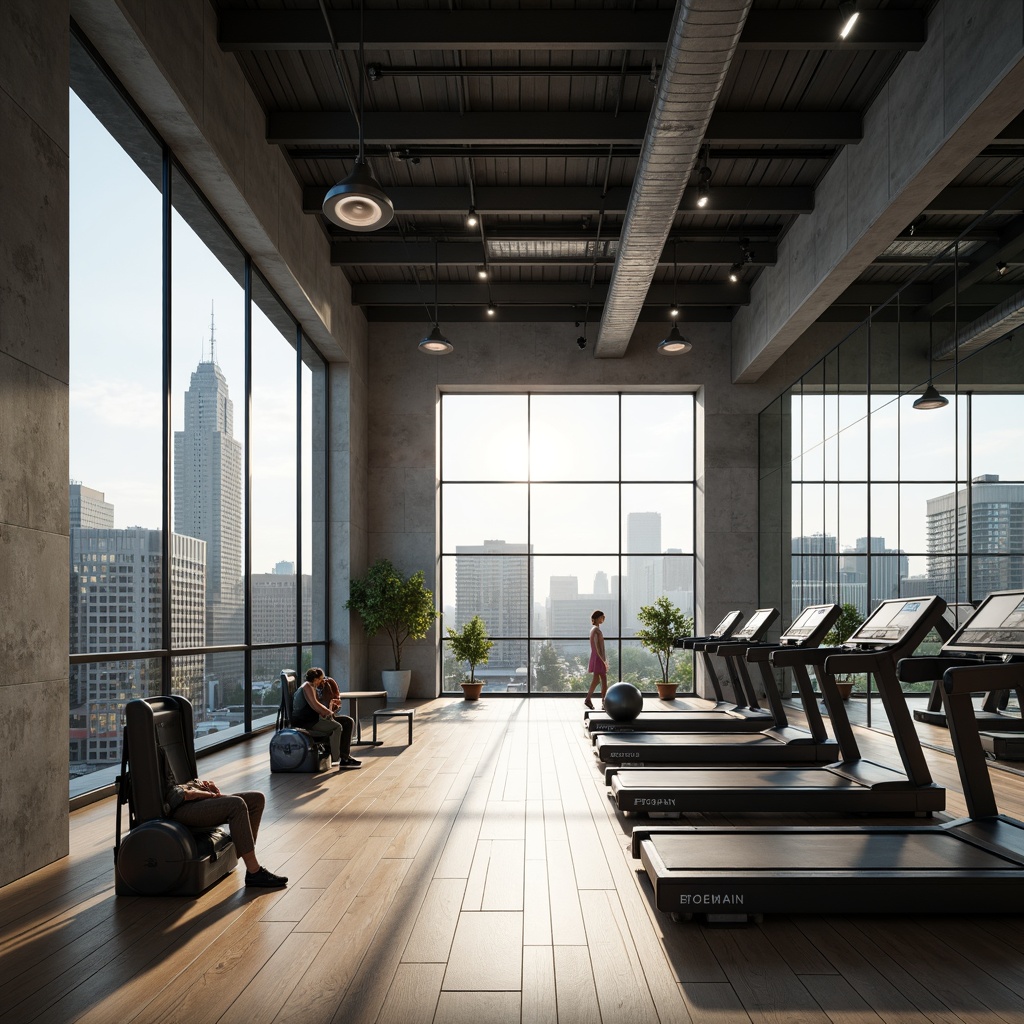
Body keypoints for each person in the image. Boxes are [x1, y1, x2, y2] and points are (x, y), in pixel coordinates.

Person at [162, 758, 287, 888]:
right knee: (236, 805)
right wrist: (204, 794)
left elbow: (181, 784)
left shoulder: (173, 743)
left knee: (256, 799)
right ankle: (254, 871)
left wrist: (200, 784)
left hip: (190, 801)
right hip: (178, 809)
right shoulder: (150, 749)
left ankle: (236, 856)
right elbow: (174, 796)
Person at [292, 667, 362, 769]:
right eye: (321, 679)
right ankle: (336, 757)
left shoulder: (310, 687)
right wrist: (328, 713)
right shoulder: (307, 686)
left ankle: (345, 757)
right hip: (308, 723)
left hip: (313, 719)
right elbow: (315, 705)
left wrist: (329, 708)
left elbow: (317, 707)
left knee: (347, 722)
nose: (323, 681)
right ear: (316, 679)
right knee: (337, 726)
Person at [584, 610, 608, 710]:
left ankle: (588, 699)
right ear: (598, 618)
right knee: (604, 680)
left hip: (596, 657)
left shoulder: (594, 629)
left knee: (596, 680)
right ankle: (604, 702)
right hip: (598, 658)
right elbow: (598, 647)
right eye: (602, 617)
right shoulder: (596, 630)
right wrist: (603, 661)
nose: (603, 619)